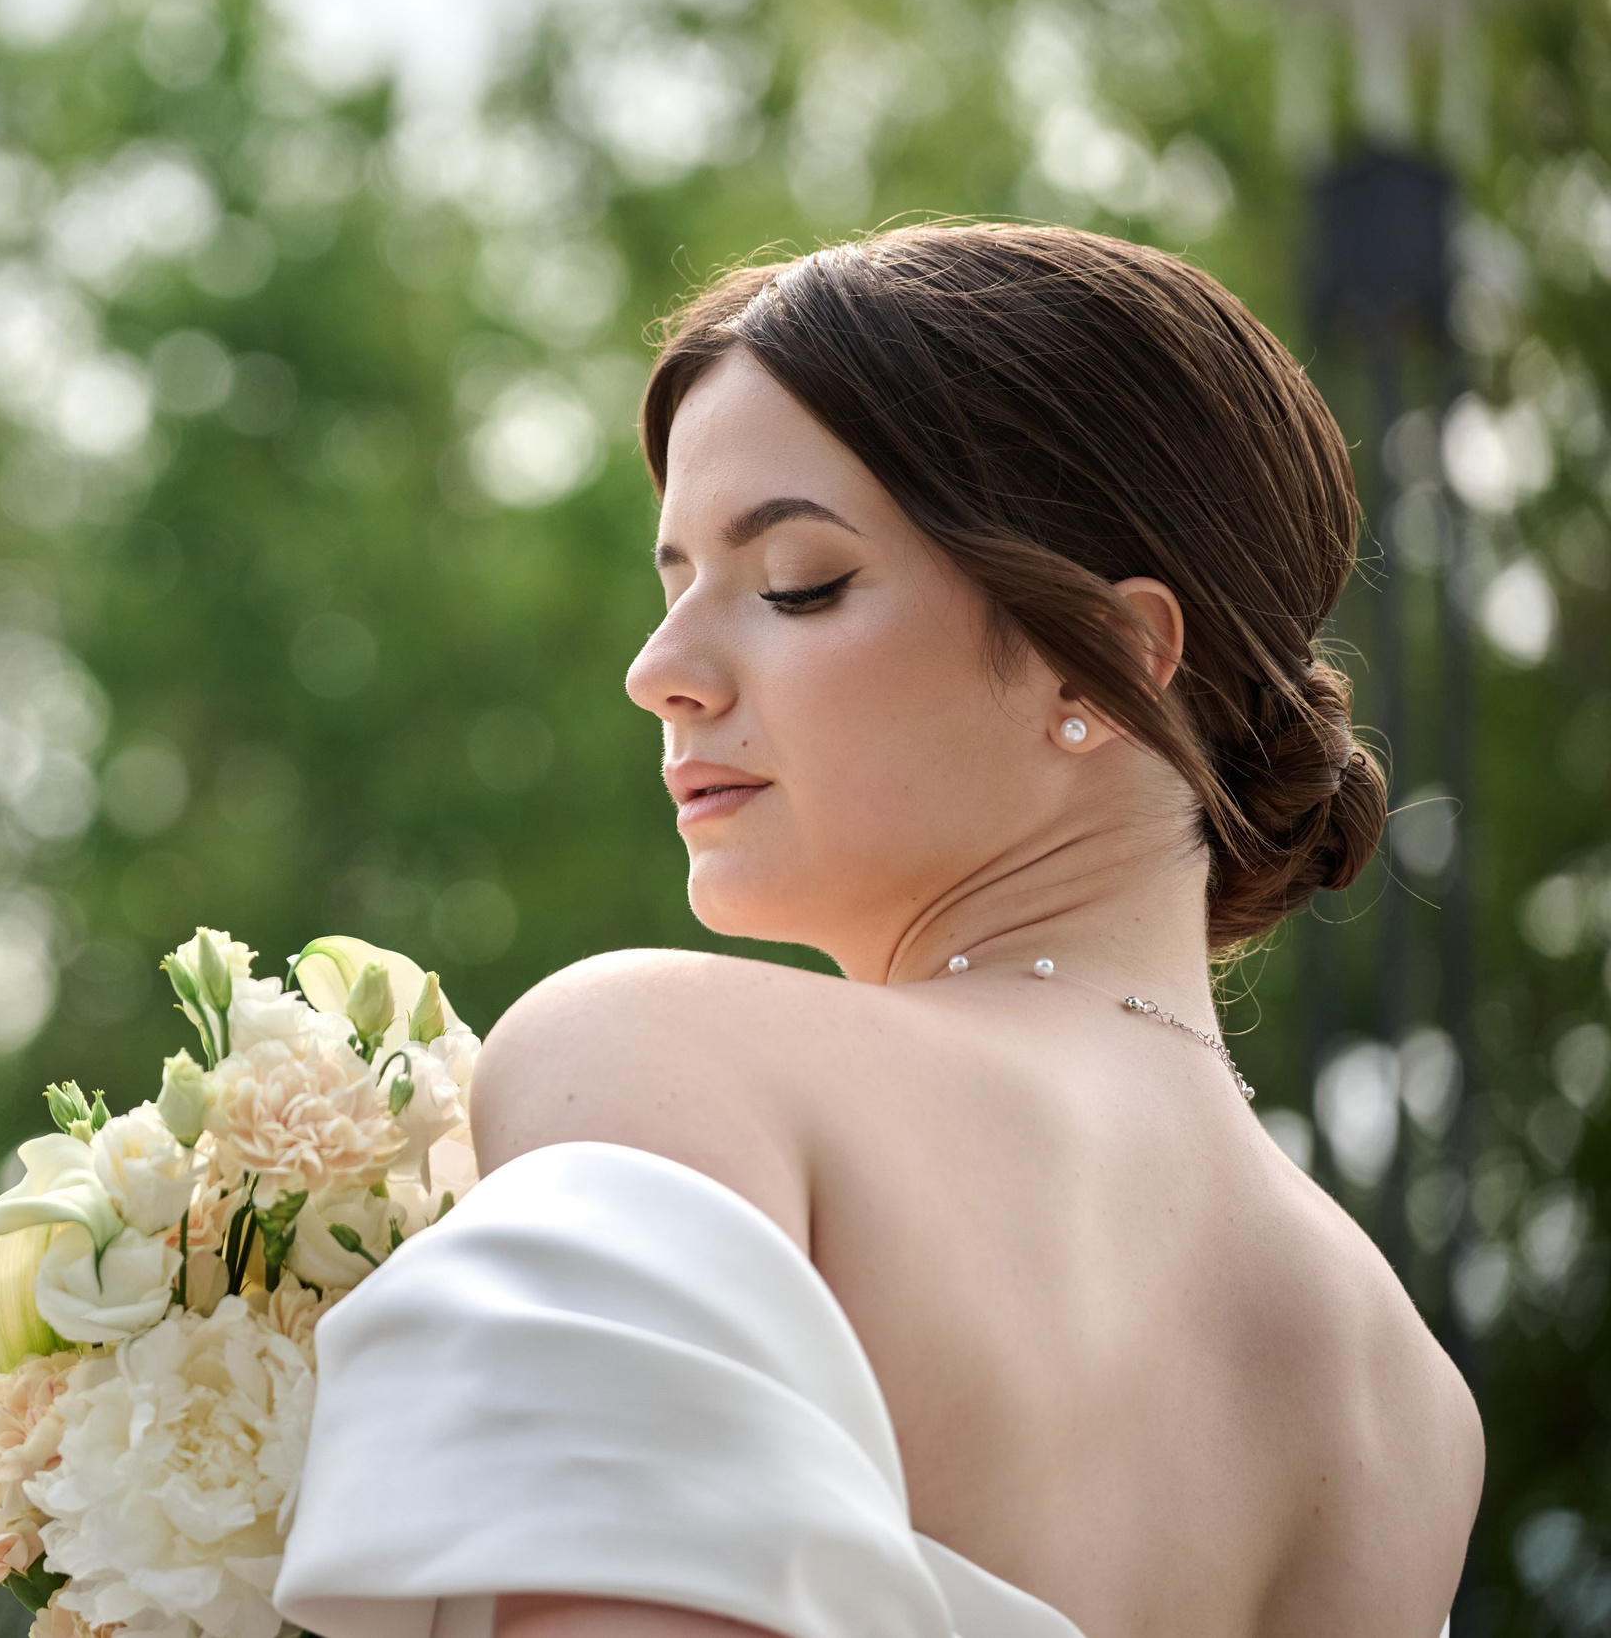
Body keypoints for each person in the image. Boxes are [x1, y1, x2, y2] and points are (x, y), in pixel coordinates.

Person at [271, 223, 1484, 1638]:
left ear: (1109, 657)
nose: (658, 673)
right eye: (673, 589)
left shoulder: (667, 1064)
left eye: (797, 581)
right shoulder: (1407, 1409)